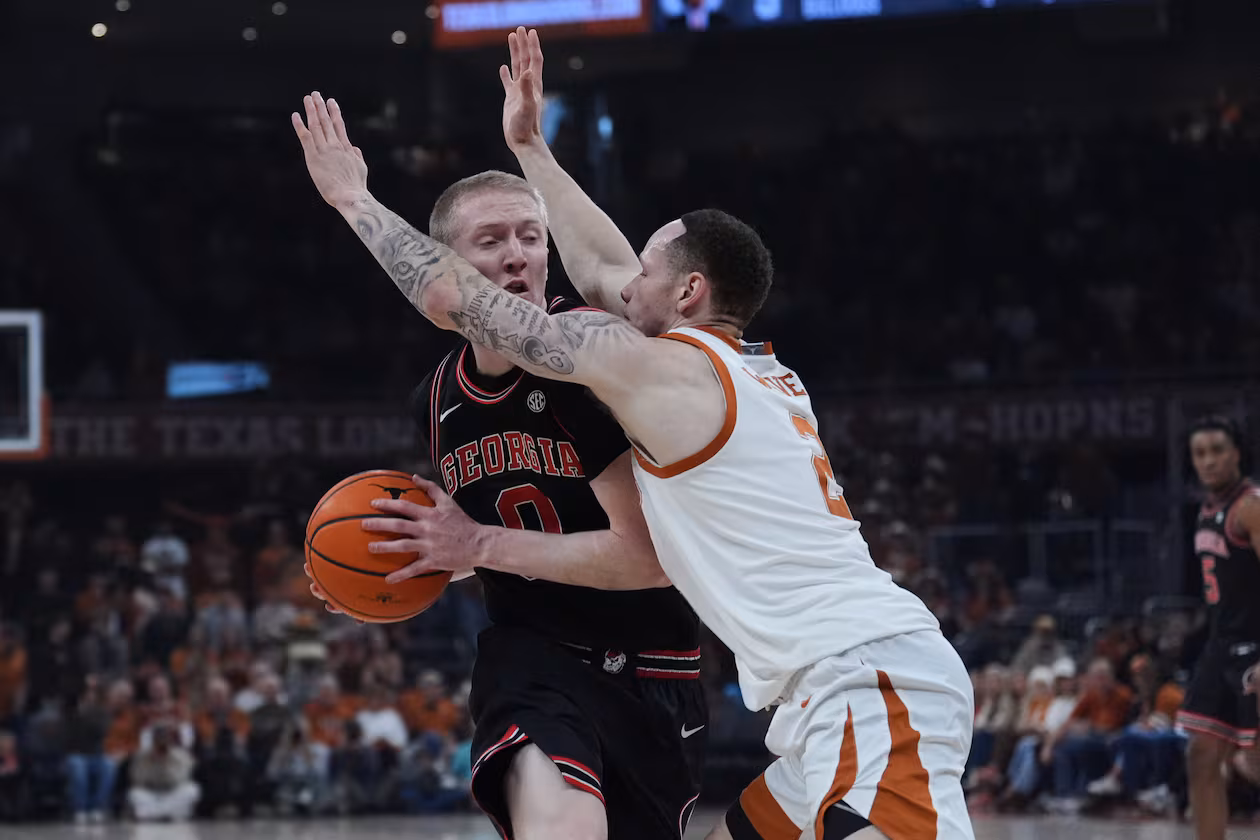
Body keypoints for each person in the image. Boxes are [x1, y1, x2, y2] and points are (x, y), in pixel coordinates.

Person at [291, 25, 972, 838]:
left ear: (686, 292)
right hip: (825, 692)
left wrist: (354, 200)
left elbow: (455, 301)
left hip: (869, 681)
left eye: (644, 269)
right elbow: (601, 261)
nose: (617, 280)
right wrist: (531, 150)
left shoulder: (661, 373)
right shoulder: (729, 365)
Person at [302, 156, 705, 836]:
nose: (517, 256)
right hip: (533, 661)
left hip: (653, 666)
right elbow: (495, 541)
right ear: (447, 264)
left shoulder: (595, 359)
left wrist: (475, 544)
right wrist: (402, 560)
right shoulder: (435, 399)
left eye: (530, 237)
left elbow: (646, 559)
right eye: (490, 241)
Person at [1175, 415, 1260, 840]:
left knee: (1254, 763)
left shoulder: (1251, 506)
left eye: (1217, 451)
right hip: (1220, 646)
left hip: (1254, 648)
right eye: (1199, 453)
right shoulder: (1205, 511)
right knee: (1202, 755)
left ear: (1237, 454)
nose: (1208, 461)